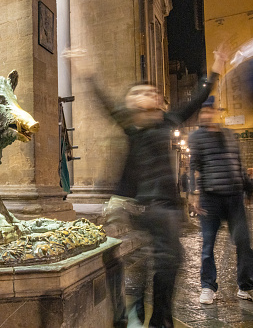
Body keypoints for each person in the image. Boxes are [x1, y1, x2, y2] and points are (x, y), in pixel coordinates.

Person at [63, 45, 227, 327]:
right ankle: (140, 316)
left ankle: (155, 318)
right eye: (139, 92)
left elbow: (196, 100)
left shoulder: (168, 121)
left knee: (167, 262)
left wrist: (214, 71)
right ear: (131, 102)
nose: (148, 95)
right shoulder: (130, 125)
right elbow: (103, 100)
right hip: (145, 207)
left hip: (167, 208)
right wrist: (84, 69)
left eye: (152, 92)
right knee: (153, 261)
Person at [188, 97, 253, 305]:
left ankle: (245, 286)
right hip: (210, 198)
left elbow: (238, 165)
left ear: (217, 112)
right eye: (203, 112)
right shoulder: (197, 137)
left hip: (234, 197)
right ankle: (207, 286)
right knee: (208, 245)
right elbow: (192, 166)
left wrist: (249, 189)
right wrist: (194, 193)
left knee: (243, 242)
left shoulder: (229, 134)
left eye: (211, 111)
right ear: (201, 115)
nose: (207, 114)